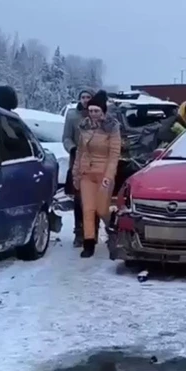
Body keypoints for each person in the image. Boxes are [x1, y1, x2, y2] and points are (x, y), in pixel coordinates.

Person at [72, 91, 121, 258]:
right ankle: (89, 243)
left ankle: (113, 230)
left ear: (103, 111)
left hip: (104, 173)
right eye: (91, 111)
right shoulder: (84, 126)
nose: (93, 114)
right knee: (88, 209)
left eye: (96, 111)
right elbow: (80, 152)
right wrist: (76, 173)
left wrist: (109, 176)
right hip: (87, 173)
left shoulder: (112, 128)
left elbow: (114, 154)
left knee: (101, 209)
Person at [63, 90, 94, 247]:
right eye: (83, 97)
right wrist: (72, 148)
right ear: (79, 99)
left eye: (88, 97)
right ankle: (79, 233)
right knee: (79, 200)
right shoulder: (72, 116)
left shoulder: (98, 115)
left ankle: (92, 232)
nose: (85, 100)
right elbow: (66, 137)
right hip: (77, 163)